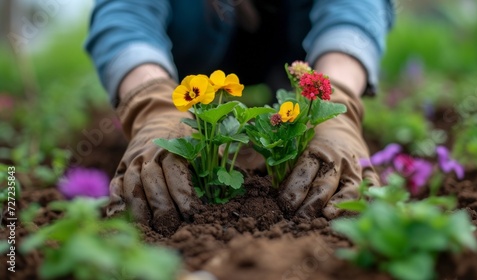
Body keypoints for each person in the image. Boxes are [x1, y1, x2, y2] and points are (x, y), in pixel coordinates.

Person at [85, 0, 394, 234]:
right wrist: (151, 104)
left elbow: (356, 8)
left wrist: (337, 98)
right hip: (190, 64)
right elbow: (124, 14)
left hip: (294, 48)